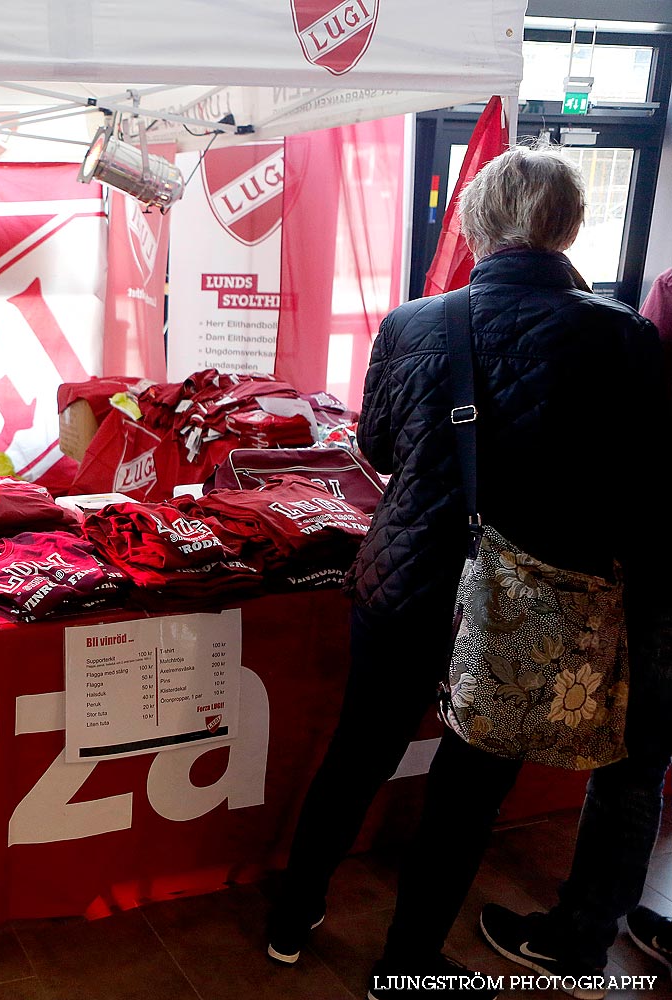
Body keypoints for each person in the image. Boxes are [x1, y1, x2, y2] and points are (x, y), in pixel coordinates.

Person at [263, 147, 666, 1000]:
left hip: (404, 578)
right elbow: (639, 480)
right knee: (469, 785)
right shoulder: (620, 334)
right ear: (567, 227)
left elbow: (375, 448)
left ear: (476, 224)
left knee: (359, 749)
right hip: (528, 599)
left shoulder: (412, 323)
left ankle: (292, 917)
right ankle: (405, 964)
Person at [470, 260, 672, 993]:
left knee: (635, 760)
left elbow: (643, 442)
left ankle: (580, 938)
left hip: (657, 561)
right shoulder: (620, 322)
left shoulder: (659, 304)